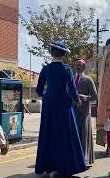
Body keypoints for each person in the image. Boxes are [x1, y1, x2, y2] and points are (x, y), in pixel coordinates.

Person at [35, 41, 86, 176]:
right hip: (63, 104)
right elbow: (72, 88)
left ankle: (49, 167)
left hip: (49, 105)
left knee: (49, 134)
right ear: (63, 55)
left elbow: (39, 90)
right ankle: (65, 167)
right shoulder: (66, 69)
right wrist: (78, 100)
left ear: (51, 53)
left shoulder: (45, 69)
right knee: (65, 135)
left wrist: (47, 96)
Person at [74, 58, 98, 167]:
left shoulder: (88, 79)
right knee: (73, 136)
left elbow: (95, 97)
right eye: (76, 65)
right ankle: (73, 159)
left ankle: (84, 160)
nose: (78, 66)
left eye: (80, 65)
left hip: (84, 113)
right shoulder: (70, 78)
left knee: (84, 137)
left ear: (84, 67)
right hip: (72, 112)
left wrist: (85, 97)